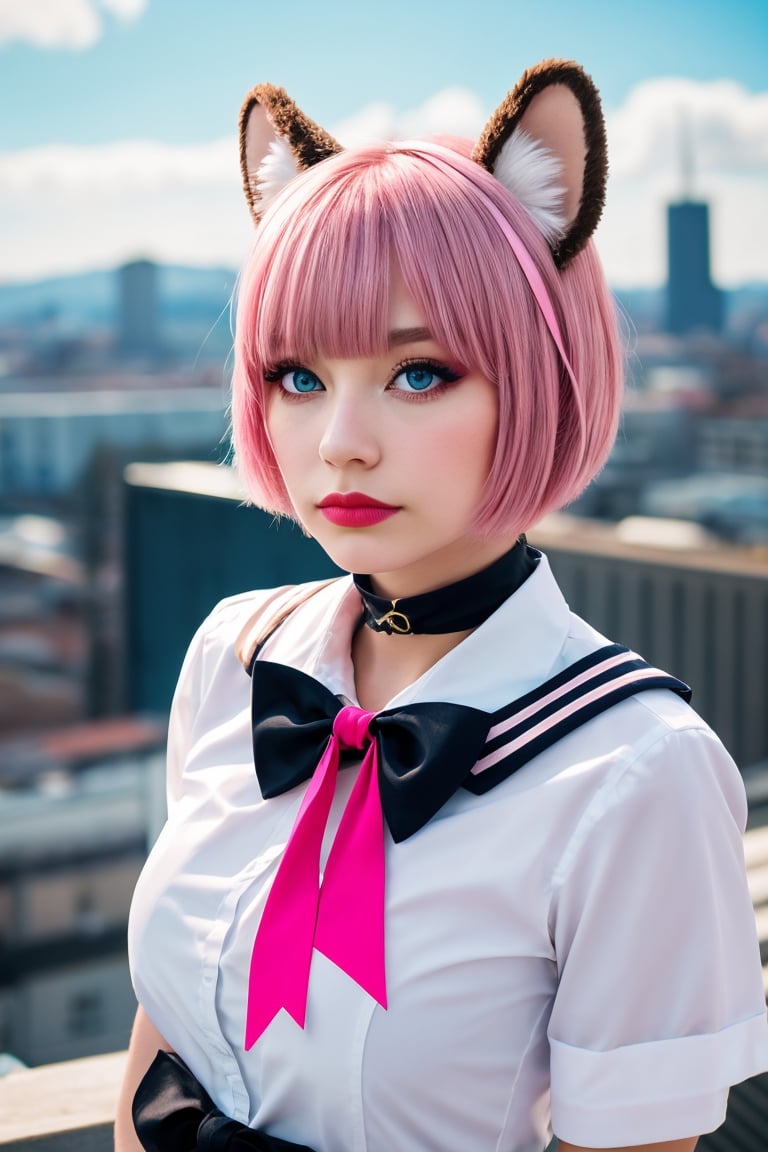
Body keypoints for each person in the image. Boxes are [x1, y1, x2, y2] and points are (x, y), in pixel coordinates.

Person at [116, 59, 768, 1152]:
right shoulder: (236, 655)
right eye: (298, 377)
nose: (341, 443)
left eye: (419, 375)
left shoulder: (637, 772)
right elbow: (167, 1035)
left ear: (543, 373)